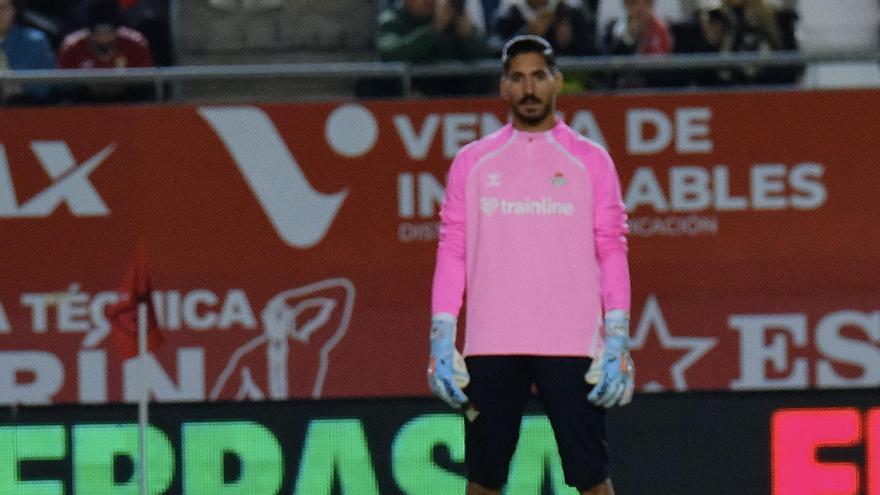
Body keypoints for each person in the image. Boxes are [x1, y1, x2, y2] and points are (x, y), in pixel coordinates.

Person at [427, 34, 634, 495]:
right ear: (503, 88)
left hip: (571, 343)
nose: (528, 88)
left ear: (557, 82)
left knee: (593, 480)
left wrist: (617, 335)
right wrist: (442, 335)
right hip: (492, 343)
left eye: (538, 76)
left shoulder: (591, 161)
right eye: (517, 78)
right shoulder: (473, 163)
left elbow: (612, 249)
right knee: (482, 481)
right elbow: (452, 249)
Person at [367, 0, 492, 96]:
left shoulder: (449, 16)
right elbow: (394, 53)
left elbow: (484, 57)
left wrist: (467, 35)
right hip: (410, 94)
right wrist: (435, 30)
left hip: (453, 93)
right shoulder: (391, 20)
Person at [57, 0, 154, 102]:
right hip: (86, 102)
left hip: (127, 102)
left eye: (109, 31)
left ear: (118, 29)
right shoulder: (72, 47)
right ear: (89, 31)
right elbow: (65, 85)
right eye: (98, 32)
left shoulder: (136, 44)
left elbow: (145, 82)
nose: (104, 37)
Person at [603, 0, 672, 87]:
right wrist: (629, 38)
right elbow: (609, 69)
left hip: (652, 91)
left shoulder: (661, 30)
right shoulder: (613, 30)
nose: (640, 8)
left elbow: (662, 70)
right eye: (634, 2)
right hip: (621, 91)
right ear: (625, 4)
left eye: (646, 2)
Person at [491, 0, 597, 56]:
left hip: (568, 81)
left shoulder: (569, 12)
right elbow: (496, 52)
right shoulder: (511, 13)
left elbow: (592, 52)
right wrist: (528, 34)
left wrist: (569, 41)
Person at [0, 0, 56, 103]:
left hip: (26, 109)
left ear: (14, 10)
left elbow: (45, 87)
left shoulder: (35, 41)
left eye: (2, 8)